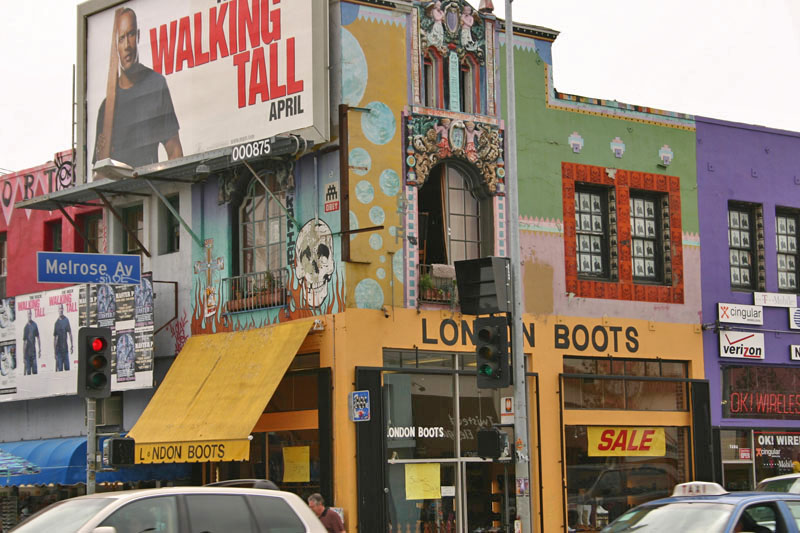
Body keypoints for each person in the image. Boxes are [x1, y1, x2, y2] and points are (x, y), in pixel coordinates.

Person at [93, 7, 183, 170]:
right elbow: (98, 175)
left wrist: (169, 188)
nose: (127, 45)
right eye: (121, 39)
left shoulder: (156, 84)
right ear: (115, 47)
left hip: (152, 188)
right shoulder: (106, 108)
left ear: (138, 36)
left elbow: (175, 150)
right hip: (120, 193)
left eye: (131, 34)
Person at [53, 304, 73, 372]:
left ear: (63, 309)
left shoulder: (66, 320)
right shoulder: (56, 323)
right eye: (59, 309)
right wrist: (55, 352)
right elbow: (55, 339)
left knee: (67, 369)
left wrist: (72, 345)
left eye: (61, 308)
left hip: (65, 350)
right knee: (60, 370)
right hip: (59, 351)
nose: (61, 310)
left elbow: (70, 333)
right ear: (58, 310)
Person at [22, 310, 41, 375]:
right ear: (27, 315)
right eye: (28, 314)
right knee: (28, 372)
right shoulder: (25, 327)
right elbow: (24, 343)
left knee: (35, 372)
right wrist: (24, 356)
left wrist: (39, 349)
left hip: (33, 353)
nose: (29, 315)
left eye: (30, 313)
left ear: (31, 314)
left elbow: (38, 337)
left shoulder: (34, 325)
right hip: (27, 354)